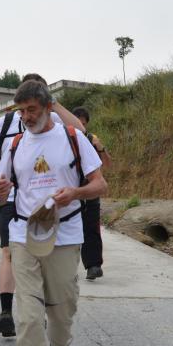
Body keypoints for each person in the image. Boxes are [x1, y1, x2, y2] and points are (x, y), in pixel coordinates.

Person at [0, 80, 107, 346]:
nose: (26, 117)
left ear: (47, 107)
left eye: (32, 110)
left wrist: (75, 192)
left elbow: (101, 184)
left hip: (66, 232)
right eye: (22, 111)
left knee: (62, 307)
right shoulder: (14, 145)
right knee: (28, 317)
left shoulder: (72, 138)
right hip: (24, 233)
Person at [0, 73, 86, 337]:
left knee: (51, 271)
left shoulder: (55, 121)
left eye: (35, 103)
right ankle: (8, 310)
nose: (27, 115)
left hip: (48, 209)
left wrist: (54, 104)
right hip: (13, 203)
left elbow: (81, 131)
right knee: (9, 253)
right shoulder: (3, 124)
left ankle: (44, 313)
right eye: (23, 107)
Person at [71, 107, 111, 280]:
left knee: (92, 228)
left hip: (90, 191)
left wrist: (100, 148)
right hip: (70, 194)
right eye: (77, 123)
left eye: (84, 124)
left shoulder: (91, 140)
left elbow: (107, 165)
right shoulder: (64, 139)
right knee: (69, 230)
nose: (81, 127)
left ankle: (93, 265)